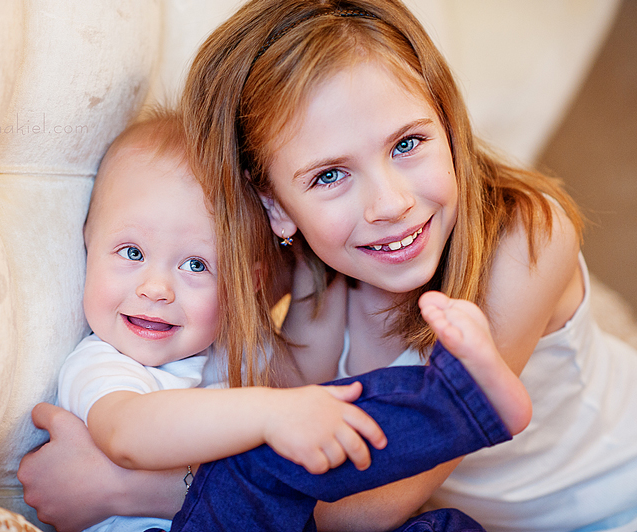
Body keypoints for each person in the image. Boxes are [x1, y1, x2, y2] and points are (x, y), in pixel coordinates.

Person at [20, 1, 637, 531]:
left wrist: (128, 488)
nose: (390, 204)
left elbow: (369, 511)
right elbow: (292, 433)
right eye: (330, 175)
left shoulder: (525, 237)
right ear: (275, 206)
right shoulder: (315, 273)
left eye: (407, 143)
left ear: (447, 121)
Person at [48, 107, 530, 532]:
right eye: (131, 252)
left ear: (246, 283)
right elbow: (127, 433)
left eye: (196, 265)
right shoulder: (105, 364)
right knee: (263, 459)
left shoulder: (239, 350)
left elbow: (312, 398)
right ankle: (464, 407)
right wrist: (272, 415)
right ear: (89, 241)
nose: (156, 289)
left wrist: (294, 408)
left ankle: (469, 407)